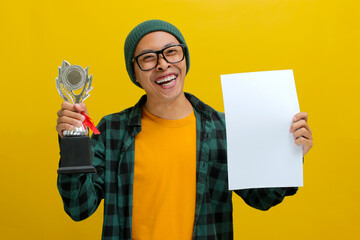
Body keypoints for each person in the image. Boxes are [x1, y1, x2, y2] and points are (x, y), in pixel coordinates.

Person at [56, 20, 313, 240]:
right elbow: (80, 206)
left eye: (171, 52)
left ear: (184, 59)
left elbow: (263, 198)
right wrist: (73, 141)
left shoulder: (225, 129)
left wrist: (290, 154)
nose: (162, 64)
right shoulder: (112, 131)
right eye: (148, 58)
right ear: (134, 73)